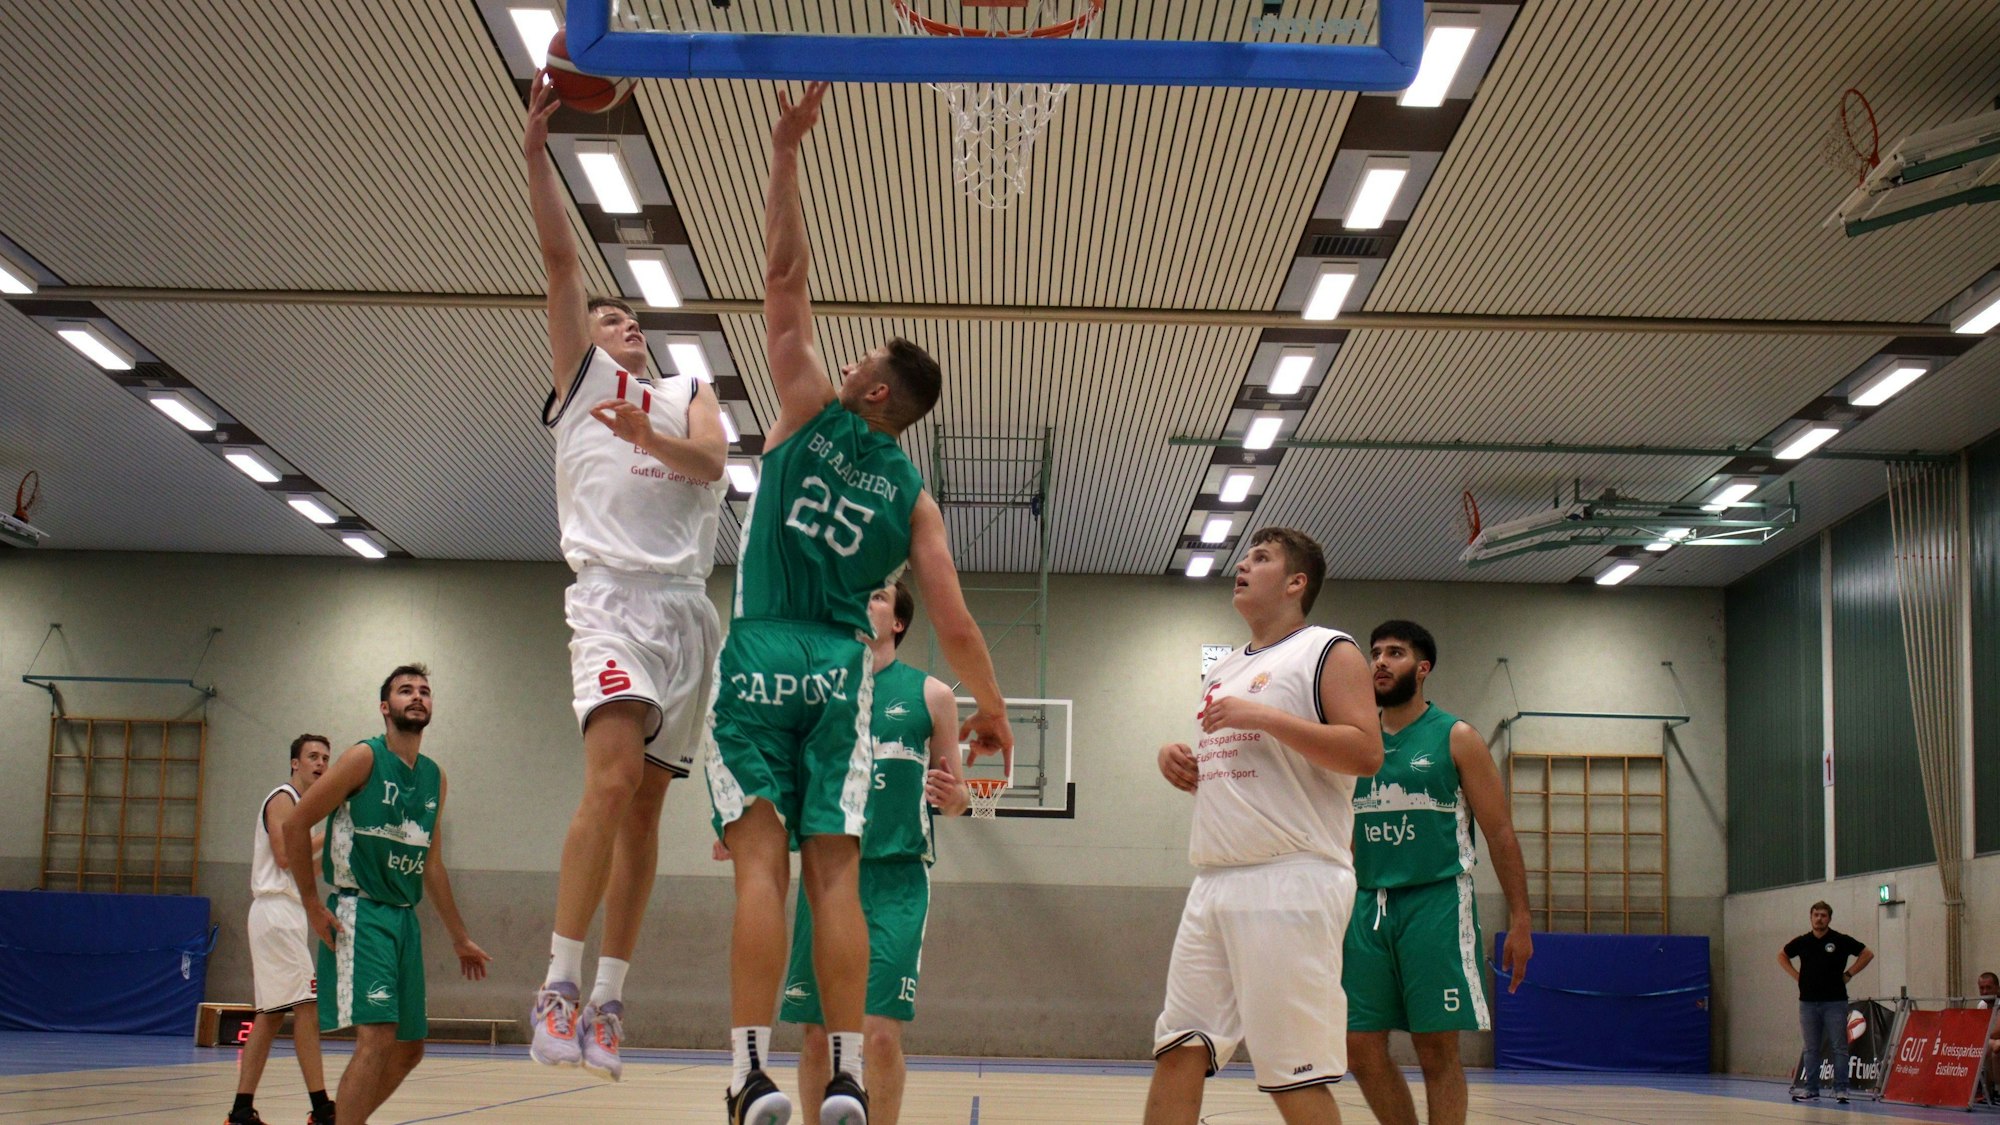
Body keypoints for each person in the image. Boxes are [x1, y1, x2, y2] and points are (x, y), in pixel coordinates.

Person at [710, 81, 1012, 1125]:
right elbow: (959, 624)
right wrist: (992, 708)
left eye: (859, 362)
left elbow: (782, 273)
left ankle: (751, 1075)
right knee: (832, 874)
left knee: (760, 867)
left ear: (875, 393)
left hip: (760, 656)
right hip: (842, 668)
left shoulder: (800, 410)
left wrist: (786, 153)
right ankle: (840, 1072)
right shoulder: (915, 501)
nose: (840, 362)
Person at [520, 72, 729, 1080]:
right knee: (606, 783)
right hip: (610, 603)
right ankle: (556, 983)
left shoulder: (687, 390)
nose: (621, 322)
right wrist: (534, 157)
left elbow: (714, 467)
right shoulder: (578, 385)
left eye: (627, 317)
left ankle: (608, 996)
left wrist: (654, 428)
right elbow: (560, 259)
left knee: (647, 812)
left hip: (690, 619)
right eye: (605, 319)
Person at [1147, 527, 1383, 1125]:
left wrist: (1264, 716)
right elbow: (1253, 765)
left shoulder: (1330, 649)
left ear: (1296, 582)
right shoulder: (1223, 670)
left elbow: (1365, 752)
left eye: (1261, 557)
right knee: (1180, 1048)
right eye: (1244, 556)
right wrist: (1186, 765)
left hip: (1292, 877)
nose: (1242, 565)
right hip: (1215, 881)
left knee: (1291, 1075)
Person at [783, 581, 971, 1125]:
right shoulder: (815, 693)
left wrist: (957, 798)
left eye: (880, 596)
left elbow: (955, 796)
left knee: (879, 1038)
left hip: (896, 880)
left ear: (899, 622)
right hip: (826, 875)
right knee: (818, 1039)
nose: (867, 602)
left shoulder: (932, 695)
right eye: (860, 595)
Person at [1343, 621, 1535, 1125]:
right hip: (1366, 904)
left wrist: (1520, 919)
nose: (1381, 662)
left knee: (1435, 1049)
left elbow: (1501, 833)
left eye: (1396, 653)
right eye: (1376, 653)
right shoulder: (1354, 741)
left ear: (1422, 668)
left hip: (1436, 902)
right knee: (1358, 1047)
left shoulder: (1457, 736)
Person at [282, 666, 492, 1125]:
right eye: (405, 691)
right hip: (361, 911)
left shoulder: (436, 777)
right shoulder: (364, 758)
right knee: (376, 1037)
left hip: (404, 918)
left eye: (424, 691)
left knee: (410, 1048)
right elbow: (295, 825)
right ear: (385, 707)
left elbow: (432, 863)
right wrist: (311, 904)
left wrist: (459, 936)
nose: (417, 697)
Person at [229, 734, 336, 1125]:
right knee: (307, 1006)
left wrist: (338, 847)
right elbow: (285, 856)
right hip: (275, 911)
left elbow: (306, 866)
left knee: (270, 1015)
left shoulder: (303, 811)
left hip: (284, 913)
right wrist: (334, 833)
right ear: (295, 763)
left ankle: (241, 1109)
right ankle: (322, 1107)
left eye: (326, 757)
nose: (320, 763)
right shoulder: (283, 797)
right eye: (312, 756)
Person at [1781, 901, 1872, 1104]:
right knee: (1811, 1048)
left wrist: (1849, 973)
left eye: (1823, 915)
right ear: (1811, 917)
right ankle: (1811, 1089)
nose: (1819, 918)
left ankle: (1841, 1089)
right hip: (1808, 1003)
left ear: (1829, 918)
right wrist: (1797, 976)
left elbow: (1867, 954)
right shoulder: (1803, 941)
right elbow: (1782, 955)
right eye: (1816, 915)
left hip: (1835, 1002)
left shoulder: (1839, 940)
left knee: (1839, 1047)